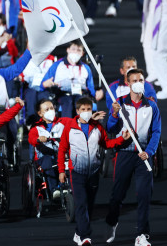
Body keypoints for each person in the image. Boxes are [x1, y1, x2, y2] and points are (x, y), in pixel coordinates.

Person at [57, 97, 130, 246]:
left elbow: (106, 144)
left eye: (88, 109)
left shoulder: (97, 127)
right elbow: (62, 149)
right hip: (76, 172)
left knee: (89, 205)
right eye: (82, 110)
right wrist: (61, 171)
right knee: (81, 203)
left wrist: (121, 139)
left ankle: (78, 232)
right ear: (77, 111)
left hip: (94, 172)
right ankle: (85, 237)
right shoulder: (70, 127)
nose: (86, 112)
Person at [105, 69, 161, 246]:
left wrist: (150, 151)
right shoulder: (119, 104)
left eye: (141, 79)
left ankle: (142, 234)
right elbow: (111, 129)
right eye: (134, 80)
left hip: (144, 155)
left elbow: (157, 132)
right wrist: (114, 115)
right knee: (117, 195)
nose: (138, 82)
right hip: (124, 153)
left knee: (144, 195)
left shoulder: (151, 106)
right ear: (128, 83)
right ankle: (113, 222)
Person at [41, 40, 103, 117]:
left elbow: (91, 87)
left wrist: (98, 93)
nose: (75, 52)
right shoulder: (57, 66)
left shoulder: (86, 68)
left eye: (78, 50)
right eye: (73, 49)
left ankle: (82, 127)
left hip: (80, 94)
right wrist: (46, 84)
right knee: (68, 102)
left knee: (82, 103)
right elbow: (42, 84)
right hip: (63, 94)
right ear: (68, 50)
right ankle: (67, 126)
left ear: (82, 53)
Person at [28, 99, 67, 199]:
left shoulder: (63, 122)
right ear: (40, 113)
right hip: (43, 157)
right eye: (47, 109)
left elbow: (76, 123)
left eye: (52, 108)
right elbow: (31, 138)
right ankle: (54, 189)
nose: (50, 111)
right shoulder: (36, 127)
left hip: (61, 154)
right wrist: (38, 139)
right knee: (48, 160)